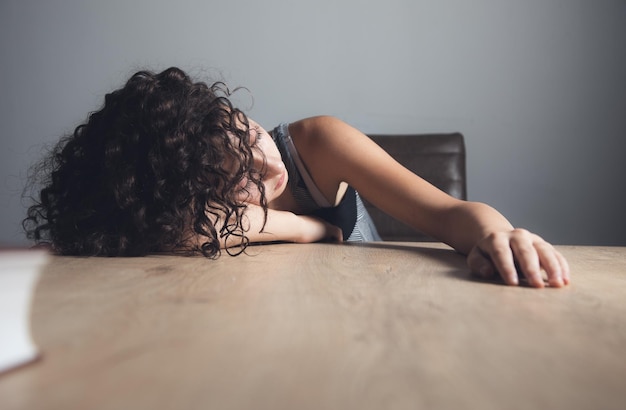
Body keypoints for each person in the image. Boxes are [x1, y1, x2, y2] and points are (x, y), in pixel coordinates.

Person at [23, 67, 570, 288]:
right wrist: (308, 230)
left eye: (248, 133)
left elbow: (449, 214)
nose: (268, 164)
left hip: (369, 312)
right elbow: (170, 229)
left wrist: (501, 233)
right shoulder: (180, 215)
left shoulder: (316, 144)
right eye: (239, 181)